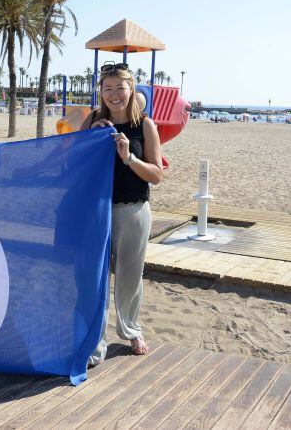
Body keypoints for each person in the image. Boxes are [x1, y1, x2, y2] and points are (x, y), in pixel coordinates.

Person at [80, 62, 163, 364]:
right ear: (101, 92)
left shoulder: (145, 125)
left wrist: (128, 158)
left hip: (134, 211)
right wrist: (90, 139)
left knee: (130, 277)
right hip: (98, 213)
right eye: (108, 89)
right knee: (95, 278)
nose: (114, 94)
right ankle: (94, 343)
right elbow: (74, 165)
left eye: (120, 88)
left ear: (132, 89)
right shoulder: (92, 121)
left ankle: (130, 330)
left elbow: (156, 174)